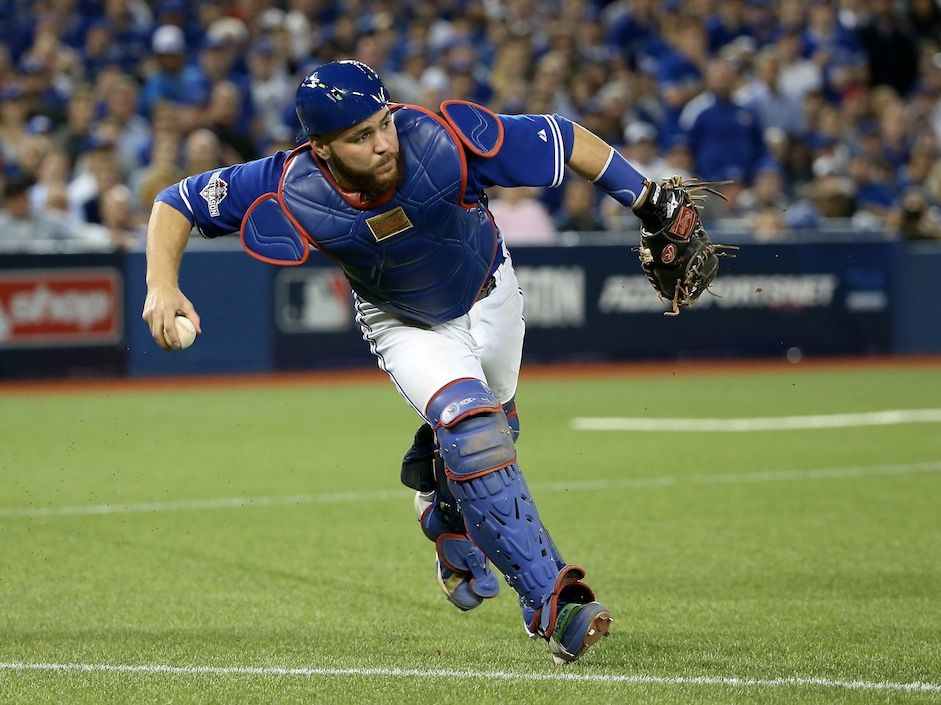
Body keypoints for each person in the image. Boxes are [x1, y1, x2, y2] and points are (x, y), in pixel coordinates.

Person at [141, 59, 689, 665]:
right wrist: (162, 286)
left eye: (383, 124)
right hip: (402, 321)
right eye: (359, 137)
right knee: (474, 433)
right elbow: (176, 201)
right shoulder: (285, 182)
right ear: (320, 147)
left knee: (498, 428)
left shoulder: (444, 138)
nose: (381, 144)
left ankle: (442, 503)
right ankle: (552, 604)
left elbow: (561, 137)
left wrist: (644, 198)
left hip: (489, 288)